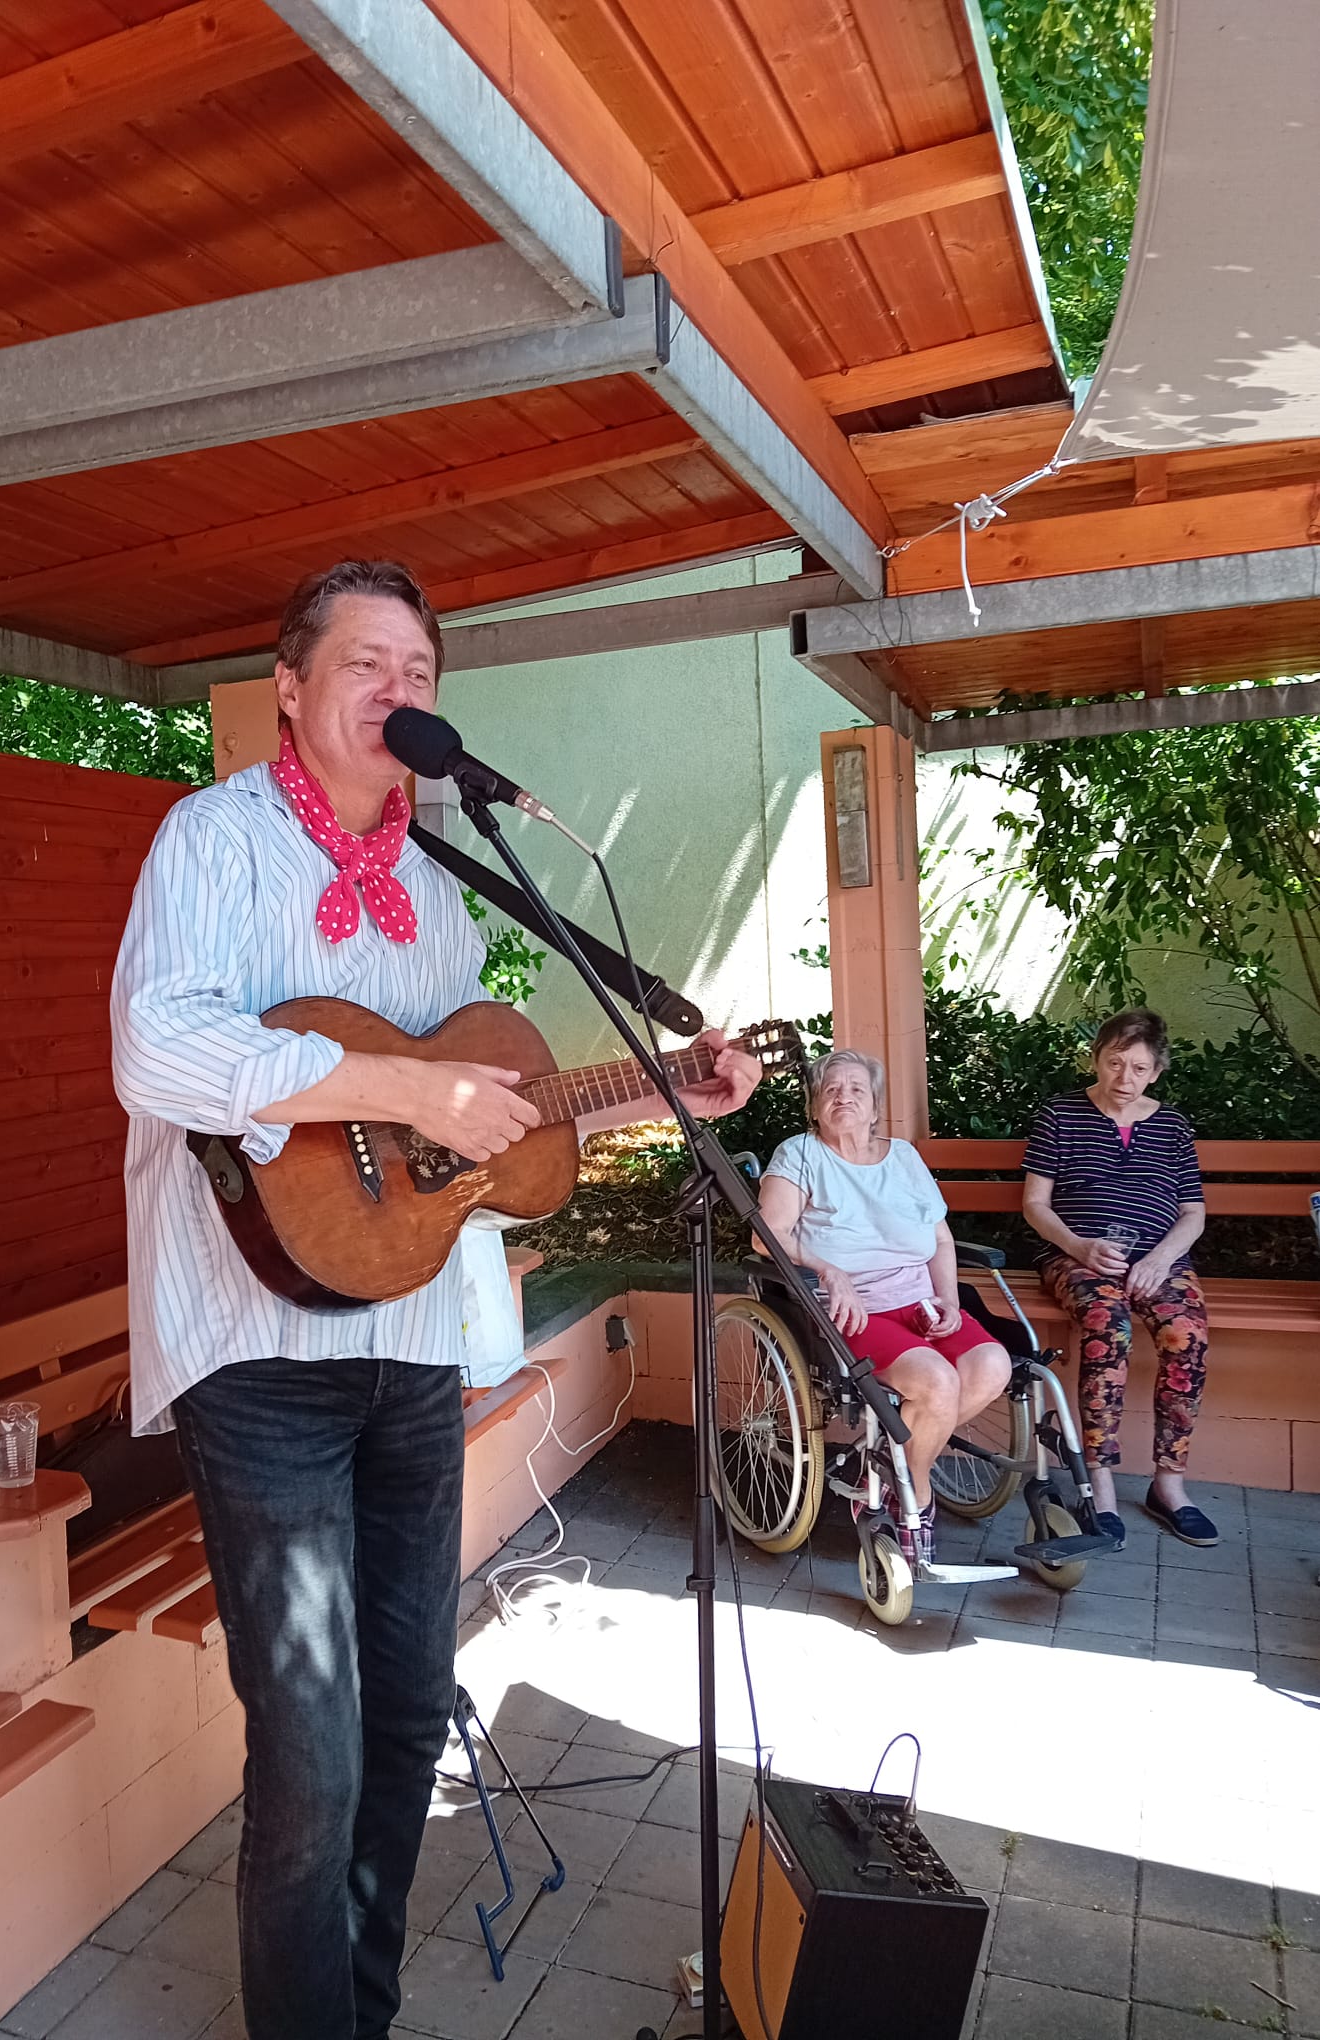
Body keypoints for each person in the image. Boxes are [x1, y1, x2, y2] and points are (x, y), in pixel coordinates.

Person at [109, 557, 760, 2040]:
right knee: (313, 1751)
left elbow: (479, 1139)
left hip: (406, 1348)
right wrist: (398, 1085)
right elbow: (156, 1051)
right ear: (290, 688)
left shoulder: (439, 893)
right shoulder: (210, 840)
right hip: (253, 1349)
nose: (398, 694)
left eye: (418, 674)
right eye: (366, 665)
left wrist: (660, 1091)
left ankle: (362, 2011)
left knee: (408, 1715)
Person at [756, 1048, 1012, 1569]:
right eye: (831, 1090)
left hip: (921, 1301)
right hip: (856, 1310)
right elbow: (767, 1236)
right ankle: (917, 1492)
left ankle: (889, 1467)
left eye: (857, 1090)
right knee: (937, 1383)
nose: (844, 1097)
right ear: (814, 1106)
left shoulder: (903, 1159)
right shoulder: (801, 1154)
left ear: (875, 1107)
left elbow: (941, 1240)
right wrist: (828, 1270)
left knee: (993, 1366)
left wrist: (949, 1299)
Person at [1022, 1007, 1215, 1549]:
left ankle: (1168, 1484)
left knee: (1186, 1336)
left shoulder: (1172, 1127)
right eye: (1115, 1063)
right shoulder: (1060, 1115)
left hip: (1161, 1261)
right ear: (1097, 1059)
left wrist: (1160, 1260)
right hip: (1077, 1258)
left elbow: (1193, 1213)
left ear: (1156, 1071)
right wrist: (1079, 1246)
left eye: (1139, 1068)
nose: (1125, 1078)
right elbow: (1035, 1204)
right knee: (1109, 1327)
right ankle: (1100, 1485)